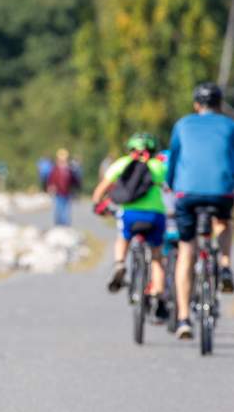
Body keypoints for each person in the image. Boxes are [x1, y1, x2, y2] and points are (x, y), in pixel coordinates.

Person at [166, 82, 234, 339]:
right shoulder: (230, 125)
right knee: (225, 221)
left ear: (197, 105)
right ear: (219, 105)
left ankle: (184, 318)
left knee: (186, 250)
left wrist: (173, 187)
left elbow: (173, 162)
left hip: (187, 194)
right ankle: (226, 264)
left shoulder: (182, 124)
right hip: (222, 192)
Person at [91, 133, 168, 320]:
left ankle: (119, 265)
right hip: (155, 215)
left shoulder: (122, 163)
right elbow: (172, 188)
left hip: (130, 214)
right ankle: (158, 293)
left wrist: (96, 204)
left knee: (123, 237)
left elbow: (102, 189)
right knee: (157, 257)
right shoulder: (158, 166)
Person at [47, 148, 81, 226]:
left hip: (67, 192)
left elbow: (74, 180)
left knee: (66, 208)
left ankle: (65, 223)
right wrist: (50, 187)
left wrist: (76, 187)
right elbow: (51, 179)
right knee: (59, 207)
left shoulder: (69, 169)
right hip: (58, 191)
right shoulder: (55, 169)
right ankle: (59, 222)